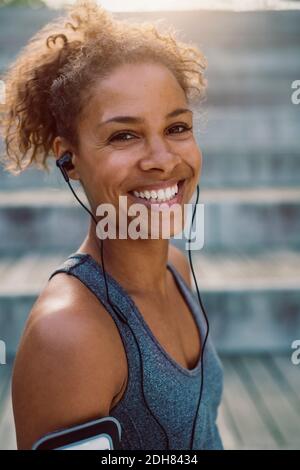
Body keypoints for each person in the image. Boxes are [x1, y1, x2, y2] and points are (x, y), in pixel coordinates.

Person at [0, 0, 224, 450]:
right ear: (70, 161)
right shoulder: (69, 335)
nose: (163, 160)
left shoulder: (176, 269)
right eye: (124, 135)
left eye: (177, 128)